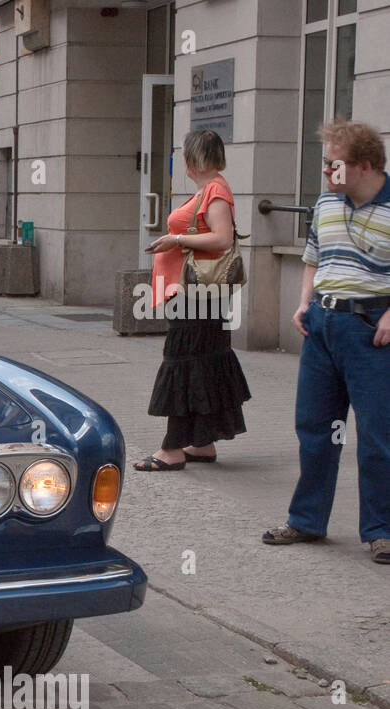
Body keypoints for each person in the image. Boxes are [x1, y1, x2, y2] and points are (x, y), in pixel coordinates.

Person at [262, 119, 390, 565]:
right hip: (322, 324)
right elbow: (313, 258)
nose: (325, 172)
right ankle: (307, 520)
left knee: (377, 435)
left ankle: (381, 530)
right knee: (315, 428)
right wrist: (303, 304)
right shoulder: (326, 203)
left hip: (371, 328)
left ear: (364, 166)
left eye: (333, 164)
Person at [134, 129, 250, 472]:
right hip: (197, 295)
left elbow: (222, 238)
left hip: (196, 295)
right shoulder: (209, 190)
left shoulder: (215, 190)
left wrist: (176, 239)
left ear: (192, 158)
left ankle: (172, 449)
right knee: (200, 362)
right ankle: (201, 442)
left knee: (181, 362)